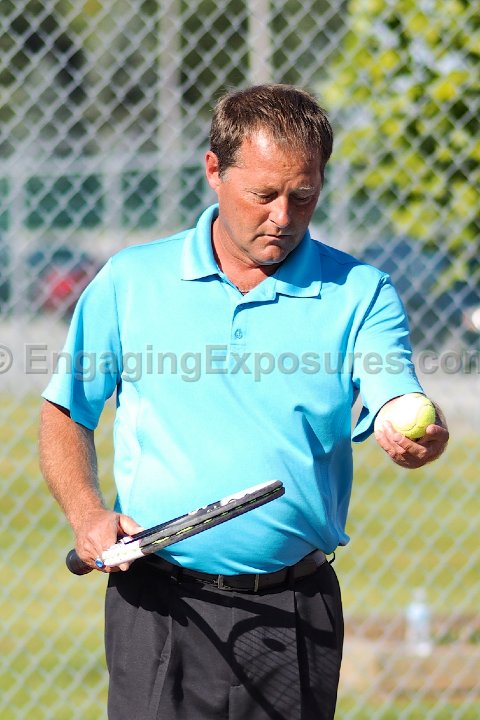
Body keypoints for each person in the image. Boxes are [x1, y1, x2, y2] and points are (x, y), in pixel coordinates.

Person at [39, 84, 449, 720]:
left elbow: (397, 390)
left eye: (303, 195)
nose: (283, 216)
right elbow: (66, 412)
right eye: (264, 195)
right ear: (214, 170)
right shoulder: (131, 280)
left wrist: (421, 431)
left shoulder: (360, 292)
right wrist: (86, 512)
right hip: (159, 608)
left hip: (296, 612)